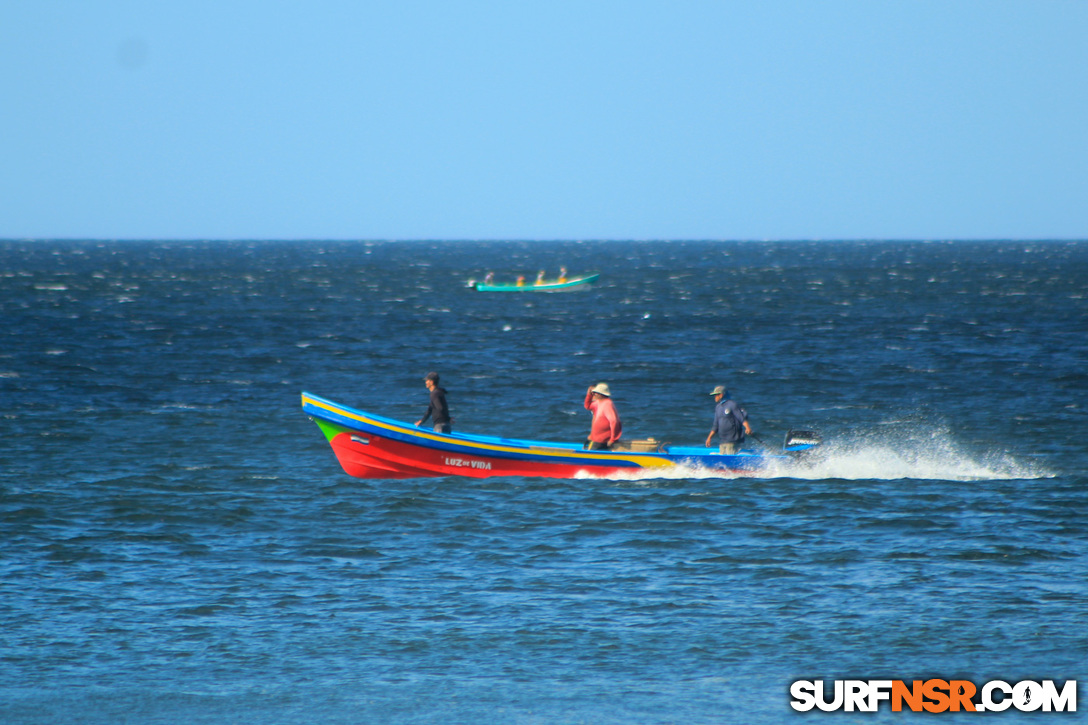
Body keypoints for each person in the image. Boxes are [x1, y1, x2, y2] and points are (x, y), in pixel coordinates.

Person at [705, 385, 751, 454]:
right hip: (722, 440)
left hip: (732, 440)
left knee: (731, 457)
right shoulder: (718, 407)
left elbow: (741, 418)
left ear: (721, 395)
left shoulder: (732, 404)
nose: (715, 397)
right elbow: (715, 426)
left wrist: (747, 428)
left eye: (716, 395)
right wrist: (709, 438)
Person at [583, 382, 622, 450]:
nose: (594, 394)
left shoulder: (607, 404)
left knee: (592, 454)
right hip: (597, 438)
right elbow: (587, 406)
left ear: (601, 394)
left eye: (596, 392)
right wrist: (589, 394)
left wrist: (612, 439)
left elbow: (614, 421)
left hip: (602, 439)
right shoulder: (598, 402)